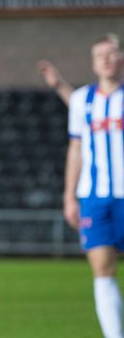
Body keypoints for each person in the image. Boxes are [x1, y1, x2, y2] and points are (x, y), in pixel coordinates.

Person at [65, 34, 124, 338]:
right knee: (102, 270)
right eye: (99, 54)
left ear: (121, 58)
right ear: (93, 62)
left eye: (111, 53)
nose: (106, 59)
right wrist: (69, 196)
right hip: (94, 196)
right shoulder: (80, 100)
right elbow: (75, 150)